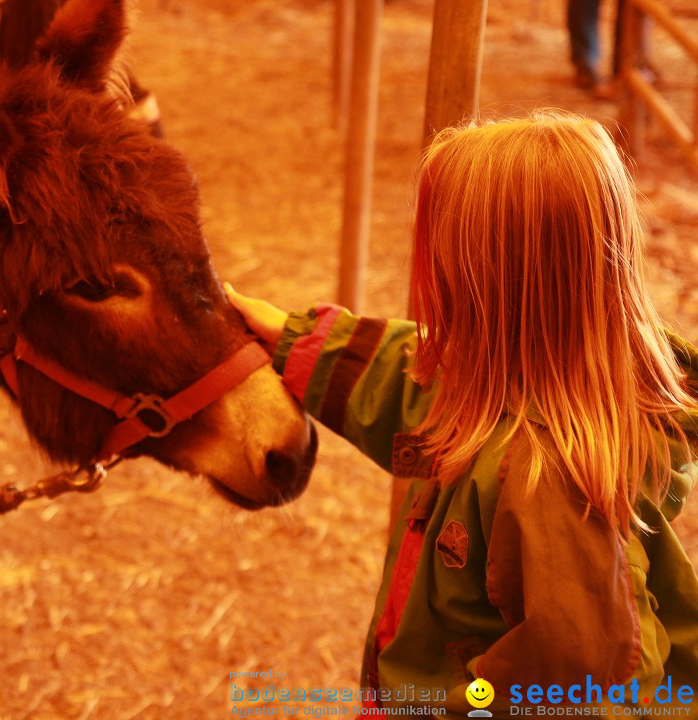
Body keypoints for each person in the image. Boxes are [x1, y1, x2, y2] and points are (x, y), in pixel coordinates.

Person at [226, 112, 698, 709]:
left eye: (440, 251)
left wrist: (459, 700)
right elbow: (422, 387)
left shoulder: (548, 478)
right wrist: (298, 342)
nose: (424, 270)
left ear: (488, 284)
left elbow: (583, 668)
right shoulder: (530, 384)